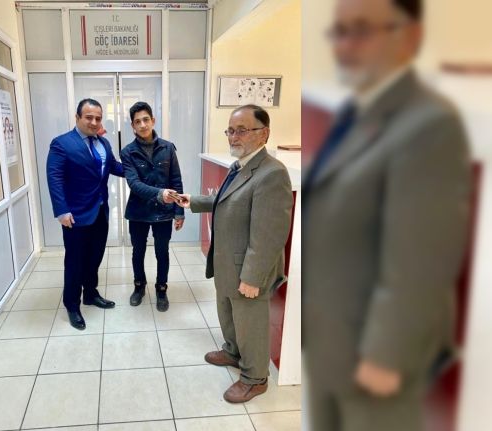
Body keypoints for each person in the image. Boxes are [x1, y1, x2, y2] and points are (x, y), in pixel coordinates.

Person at [302, 1, 471, 430]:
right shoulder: (355, 112)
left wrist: (386, 355)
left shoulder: (430, 124)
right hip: (330, 338)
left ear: (410, 36)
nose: (345, 45)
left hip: (373, 358)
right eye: (339, 31)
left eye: (362, 30)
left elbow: (424, 258)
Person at [177, 105, 292, 403]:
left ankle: (255, 378)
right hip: (227, 261)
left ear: (264, 133)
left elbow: (269, 235)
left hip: (248, 268)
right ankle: (233, 351)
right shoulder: (240, 165)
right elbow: (225, 199)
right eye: (230, 130)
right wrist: (193, 201)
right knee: (227, 310)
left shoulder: (272, 173)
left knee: (250, 322)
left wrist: (253, 277)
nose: (233, 136)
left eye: (242, 130)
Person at [47, 98, 124, 330]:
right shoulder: (62, 143)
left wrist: (140, 170)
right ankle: (72, 305)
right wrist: (61, 210)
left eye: (98, 118)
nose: (93, 122)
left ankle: (90, 293)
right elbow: (55, 177)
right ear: (77, 117)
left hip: (100, 211)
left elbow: (114, 167)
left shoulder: (103, 143)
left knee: (95, 257)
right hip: (75, 215)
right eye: (89, 117)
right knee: (75, 261)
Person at [120, 101, 184, 311]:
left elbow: (176, 180)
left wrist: (179, 211)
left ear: (153, 121)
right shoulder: (127, 152)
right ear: (133, 125)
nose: (143, 125)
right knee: (138, 252)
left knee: (162, 252)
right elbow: (133, 183)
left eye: (146, 120)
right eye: (137, 121)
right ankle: (139, 286)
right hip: (138, 212)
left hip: (164, 213)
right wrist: (159, 194)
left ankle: (161, 289)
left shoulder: (168, 147)